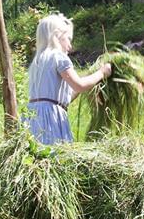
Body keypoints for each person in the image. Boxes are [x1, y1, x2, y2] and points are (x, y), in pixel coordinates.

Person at [24, 13, 112, 145]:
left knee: (37, 155)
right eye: (68, 39)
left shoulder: (38, 61)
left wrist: (90, 78)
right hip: (51, 118)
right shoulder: (59, 57)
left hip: (33, 116)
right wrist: (101, 73)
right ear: (57, 36)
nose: (70, 46)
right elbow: (79, 85)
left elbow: (66, 97)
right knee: (55, 155)